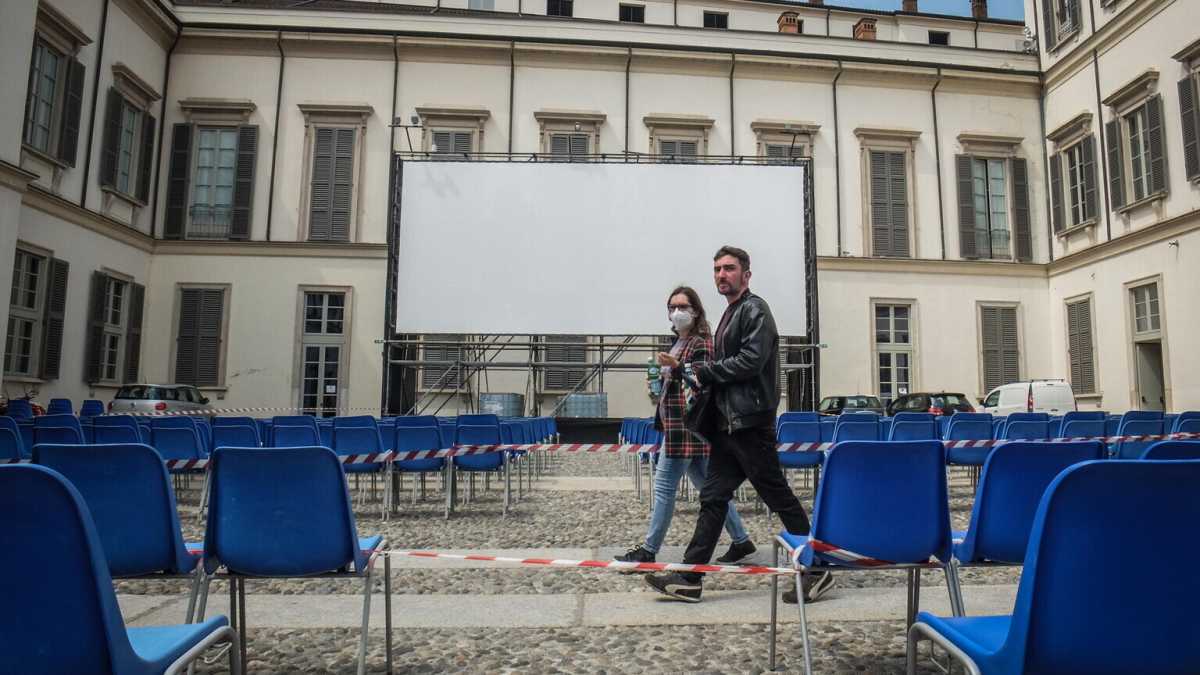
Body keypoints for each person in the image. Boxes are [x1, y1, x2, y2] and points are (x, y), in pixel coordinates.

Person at [644, 245, 834, 604]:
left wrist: (701, 371)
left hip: (749, 423)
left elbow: (750, 361)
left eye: (729, 268)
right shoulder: (732, 313)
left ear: (746, 274)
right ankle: (690, 577)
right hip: (729, 425)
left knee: (778, 496)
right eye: (716, 269)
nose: (721, 275)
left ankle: (819, 568)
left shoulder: (755, 309)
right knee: (713, 496)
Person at [614, 286, 756, 567]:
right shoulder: (678, 341)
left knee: (665, 487)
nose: (677, 312)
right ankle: (741, 541)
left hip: (685, 427)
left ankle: (649, 548)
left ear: (696, 311)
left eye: (683, 306)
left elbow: (701, 380)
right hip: (679, 426)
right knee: (709, 490)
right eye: (672, 307)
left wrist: (678, 367)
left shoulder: (701, 342)